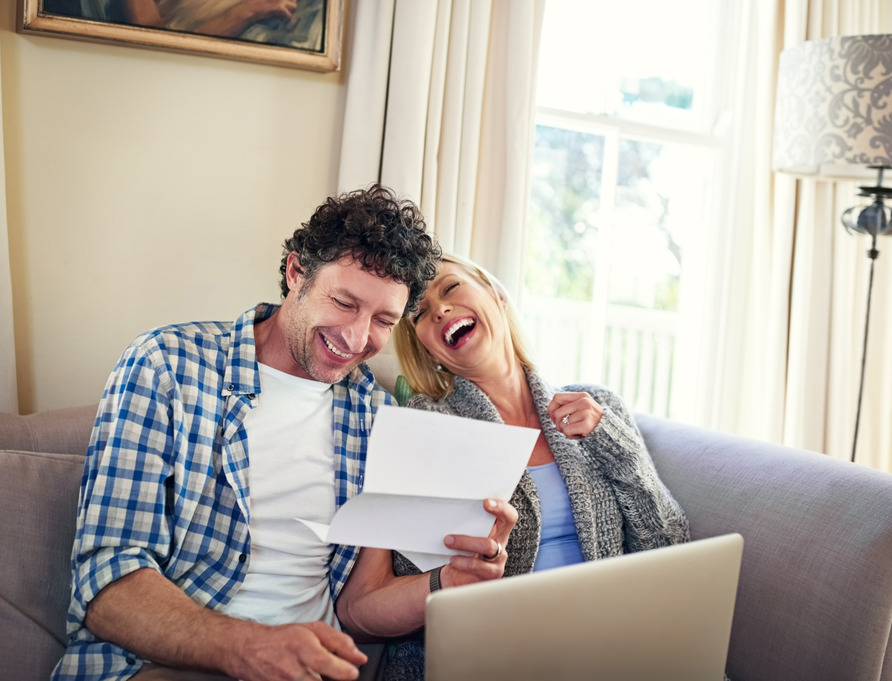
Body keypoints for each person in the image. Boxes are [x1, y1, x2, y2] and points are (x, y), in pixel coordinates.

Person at [51, 187, 516, 681]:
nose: (357, 340)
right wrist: (249, 647)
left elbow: (358, 609)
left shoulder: (376, 414)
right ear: (297, 273)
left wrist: (446, 583)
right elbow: (107, 579)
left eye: (383, 321)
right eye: (343, 302)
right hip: (155, 666)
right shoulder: (166, 366)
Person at [337, 253, 691, 680]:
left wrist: (613, 445)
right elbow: (379, 601)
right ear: (426, 346)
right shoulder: (425, 429)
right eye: (421, 313)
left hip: (609, 649)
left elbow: (670, 549)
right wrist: (455, 574)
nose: (441, 310)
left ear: (498, 294)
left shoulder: (599, 408)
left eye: (450, 289)